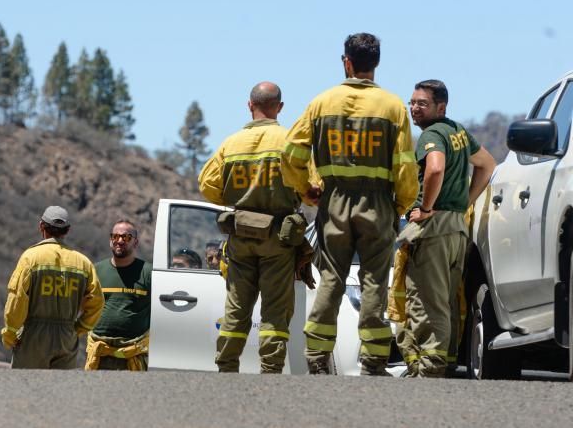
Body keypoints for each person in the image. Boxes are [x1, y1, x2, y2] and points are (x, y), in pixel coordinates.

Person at [282, 33, 419, 375]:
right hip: (378, 202)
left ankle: (316, 358)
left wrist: (306, 190)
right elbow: (405, 166)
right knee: (375, 280)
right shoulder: (392, 107)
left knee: (331, 279)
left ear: (346, 61)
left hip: (334, 201)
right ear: (376, 63)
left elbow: (291, 153)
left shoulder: (321, 103)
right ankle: (374, 360)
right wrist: (399, 206)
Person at [198, 81, 305, 373]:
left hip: (240, 235)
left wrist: (238, 199)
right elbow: (312, 185)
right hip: (278, 238)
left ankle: (227, 366)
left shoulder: (230, 144)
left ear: (249, 105)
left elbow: (207, 185)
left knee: (236, 307)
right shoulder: (289, 141)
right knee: (275, 309)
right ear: (279, 107)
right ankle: (270, 369)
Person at [396, 79, 496, 377]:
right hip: (456, 228)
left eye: (422, 104)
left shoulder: (434, 134)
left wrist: (425, 208)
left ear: (441, 107)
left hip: (434, 229)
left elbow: (435, 167)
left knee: (427, 301)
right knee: (448, 300)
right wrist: (466, 201)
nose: (414, 108)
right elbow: (487, 164)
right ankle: (445, 362)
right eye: (412, 102)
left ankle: (429, 368)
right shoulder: (458, 131)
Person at [2, 205, 104, 369]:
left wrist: (11, 331)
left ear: (41, 226)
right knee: (59, 391)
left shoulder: (31, 257)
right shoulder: (83, 263)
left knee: (26, 389)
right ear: (67, 230)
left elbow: (18, 298)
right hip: (66, 337)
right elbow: (97, 302)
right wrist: (78, 328)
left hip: (34, 336)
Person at [85, 219, 152, 371]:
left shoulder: (148, 273)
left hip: (132, 354)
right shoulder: (96, 270)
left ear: (135, 243)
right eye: (115, 237)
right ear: (110, 240)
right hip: (99, 353)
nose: (120, 241)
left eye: (126, 237)